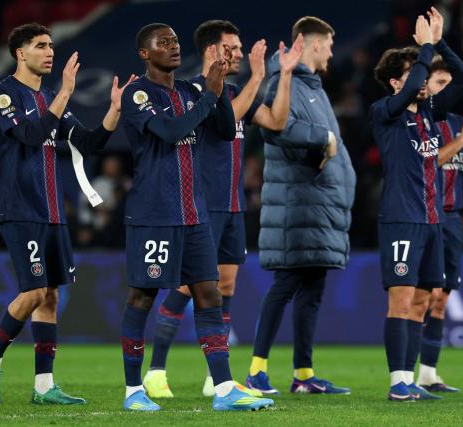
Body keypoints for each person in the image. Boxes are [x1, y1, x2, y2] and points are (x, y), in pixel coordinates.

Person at [118, 22, 274, 412]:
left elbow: (223, 130)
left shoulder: (190, 90)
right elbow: (170, 131)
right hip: (154, 214)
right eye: (163, 42)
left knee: (209, 293)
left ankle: (223, 388)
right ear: (144, 53)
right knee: (142, 296)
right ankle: (134, 389)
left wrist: (215, 90)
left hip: (194, 214)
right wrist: (209, 96)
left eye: (174, 40)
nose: (172, 46)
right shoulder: (138, 92)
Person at [143, 20, 303, 399]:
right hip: (201, 204)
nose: (239, 54)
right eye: (232, 47)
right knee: (189, 285)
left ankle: (216, 376)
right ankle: (155, 371)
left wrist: (285, 75)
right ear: (212, 51)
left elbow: (276, 121)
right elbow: (226, 121)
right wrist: (260, 74)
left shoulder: (236, 92)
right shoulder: (195, 90)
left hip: (232, 205)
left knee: (225, 285)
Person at [0, 23, 134, 404]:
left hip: (52, 210)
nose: (49, 52)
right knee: (33, 291)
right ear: (20, 53)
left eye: (50, 45)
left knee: (49, 297)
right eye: (40, 46)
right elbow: (30, 136)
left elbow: (90, 142)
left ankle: (44, 387)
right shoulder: (3, 96)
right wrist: (64, 92)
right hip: (21, 207)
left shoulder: (50, 97)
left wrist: (113, 111)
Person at [370, 8, 463, 401]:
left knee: (422, 300)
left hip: (434, 219)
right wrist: (426, 47)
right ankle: (397, 382)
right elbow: (419, 76)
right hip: (402, 219)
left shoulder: (431, 114)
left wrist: (441, 42)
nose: (421, 74)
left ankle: (412, 380)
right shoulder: (384, 113)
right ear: (396, 82)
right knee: (401, 300)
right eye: (412, 69)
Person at [245, 16, 356, 395]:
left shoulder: (316, 88)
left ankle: (304, 375)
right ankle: (256, 371)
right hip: (296, 205)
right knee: (286, 284)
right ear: (311, 44)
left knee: (312, 289)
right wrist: (322, 136)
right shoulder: (281, 80)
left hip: (318, 207)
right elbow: (276, 128)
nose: (331, 51)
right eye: (328, 44)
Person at [416, 59, 463, 393]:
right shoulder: (421, 121)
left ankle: (429, 373)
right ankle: (407, 373)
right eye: (439, 82)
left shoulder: (459, 123)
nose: (445, 89)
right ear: (426, 86)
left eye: (449, 83)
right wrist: (462, 138)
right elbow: (428, 161)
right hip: (424, 216)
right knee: (423, 297)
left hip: (451, 218)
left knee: (442, 299)